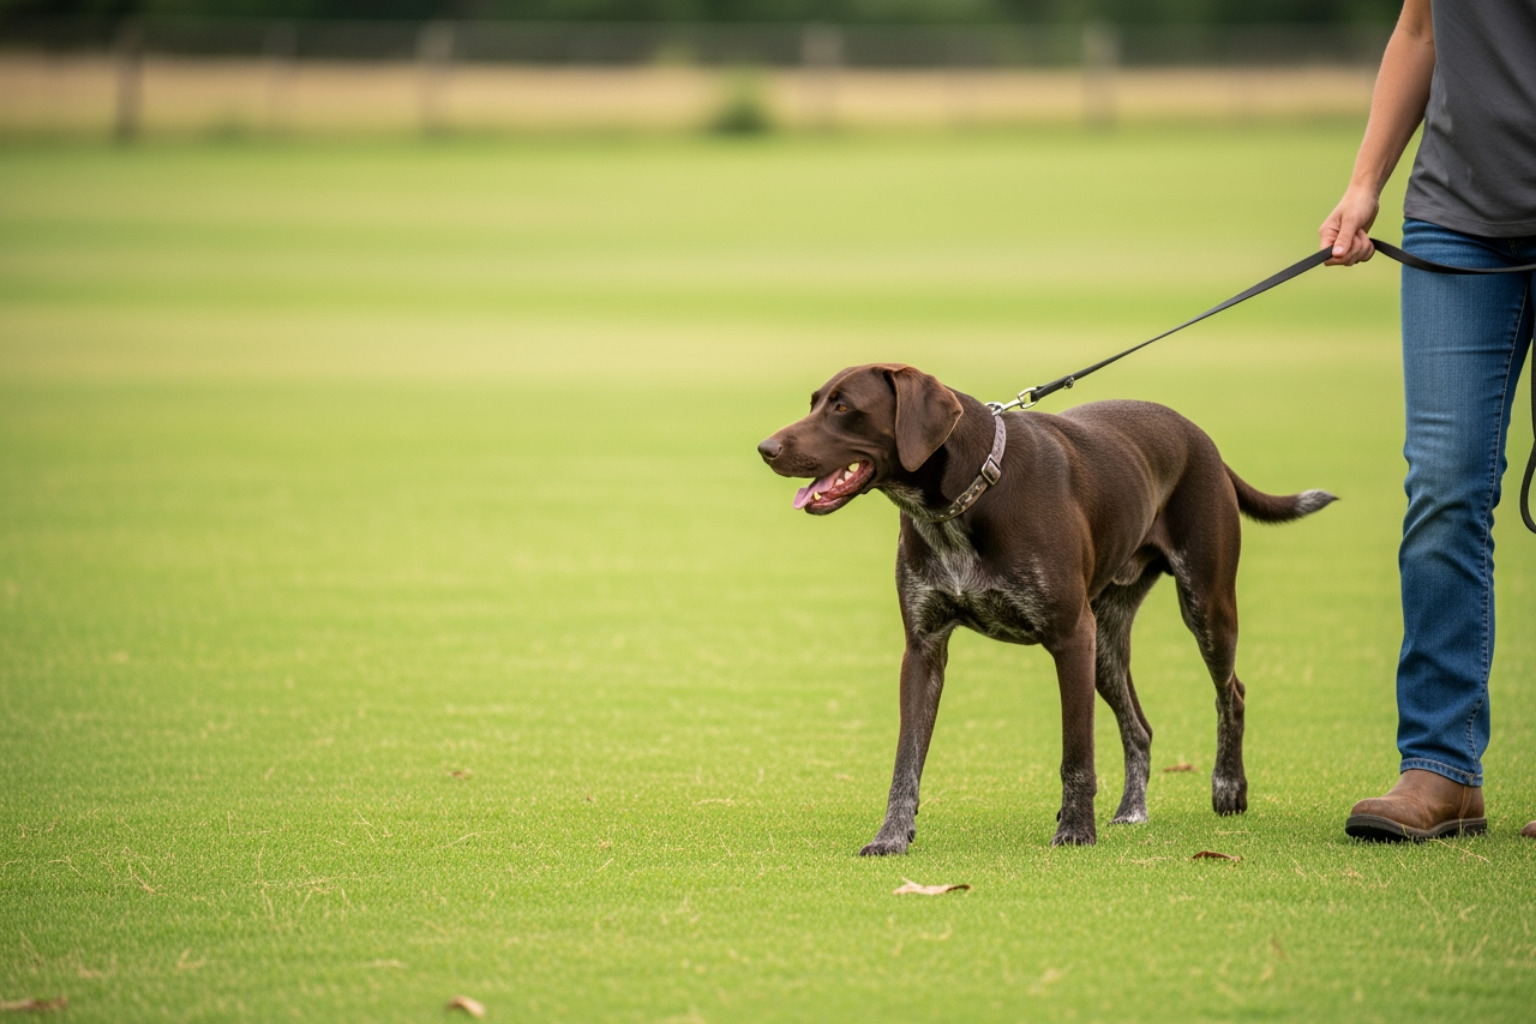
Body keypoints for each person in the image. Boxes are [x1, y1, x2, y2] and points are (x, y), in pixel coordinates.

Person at [1319, 0, 1535, 842]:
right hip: (1457, 217)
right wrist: (1365, 183)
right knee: (1443, 483)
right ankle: (1441, 768)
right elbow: (1421, 29)